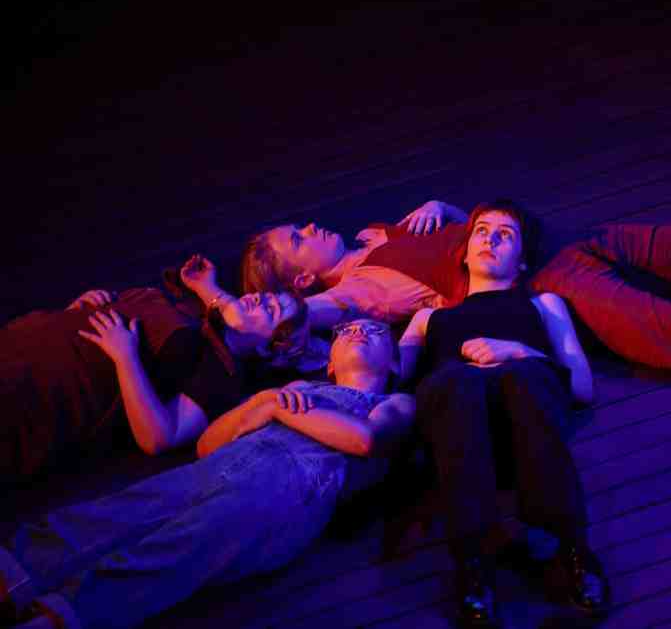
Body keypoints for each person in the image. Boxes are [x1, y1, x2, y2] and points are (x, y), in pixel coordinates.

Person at [241, 185, 671, 420]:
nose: (311, 228)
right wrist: (221, 298)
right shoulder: (347, 293)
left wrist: (442, 208)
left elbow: (449, 228)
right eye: (297, 239)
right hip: (548, 286)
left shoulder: (370, 239)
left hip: (556, 243)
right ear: (298, 281)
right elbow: (299, 327)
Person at [0, 317, 415, 629]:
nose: (358, 333)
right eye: (347, 330)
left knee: (178, 548)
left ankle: (62, 617)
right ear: (328, 362)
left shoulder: (394, 402)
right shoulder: (296, 390)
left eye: (375, 331)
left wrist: (273, 409)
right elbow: (207, 446)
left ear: (394, 361)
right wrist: (264, 404)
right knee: (123, 510)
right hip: (222, 466)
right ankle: (16, 571)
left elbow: (362, 439)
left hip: (292, 486)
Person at [398, 200, 608, 626]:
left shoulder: (544, 304)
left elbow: (582, 386)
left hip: (527, 408)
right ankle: (472, 562)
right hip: (457, 417)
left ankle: (571, 548)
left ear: (523, 258)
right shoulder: (427, 317)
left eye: (505, 234)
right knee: (458, 381)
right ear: (465, 249)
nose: (490, 239)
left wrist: (517, 351)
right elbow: (382, 378)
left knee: (524, 377)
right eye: (481, 231)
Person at [0, 254, 314, 483]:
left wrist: (125, 357)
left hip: (43, 393)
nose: (258, 299)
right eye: (266, 296)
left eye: (271, 310)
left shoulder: (222, 374)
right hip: (25, 345)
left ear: (265, 348)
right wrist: (78, 312)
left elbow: (159, 436)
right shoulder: (194, 308)